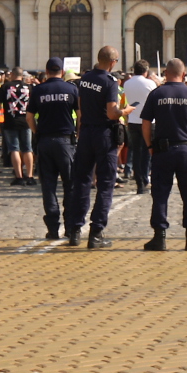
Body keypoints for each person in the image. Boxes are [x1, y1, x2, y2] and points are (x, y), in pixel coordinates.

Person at [139, 57, 187, 251]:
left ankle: (159, 237)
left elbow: (145, 124)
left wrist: (150, 146)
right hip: (186, 150)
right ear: (183, 74)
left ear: (166, 73)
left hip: (163, 151)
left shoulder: (156, 94)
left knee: (160, 194)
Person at [66, 47, 125, 248]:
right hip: (104, 134)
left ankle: (74, 230)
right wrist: (125, 110)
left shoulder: (86, 78)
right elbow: (111, 113)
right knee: (106, 183)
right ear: (112, 62)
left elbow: (81, 109)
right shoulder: (110, 82)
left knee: (81, 181)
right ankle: (96, 233)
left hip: (86, 132)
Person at [29, 58, 80, 241]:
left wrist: (37, 132)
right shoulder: (71, 89)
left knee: (48, 186)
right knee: (70, 185)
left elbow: (29, 117)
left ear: (46, 70)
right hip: (66, 142)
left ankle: (52, 228)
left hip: (45, 141)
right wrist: (78, 133)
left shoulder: (39, 90)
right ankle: (71, 228)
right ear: (63, 71)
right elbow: (80, 114)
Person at [122, 62, 156, 192]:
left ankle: (139, 181)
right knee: (147, 151)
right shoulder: (150, 83)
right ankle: (145, 178)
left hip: (133, 120)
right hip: (148, 121)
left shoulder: (127, 83)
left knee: (136, 152)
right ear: (146, 71)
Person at [0, 68, 33, 185]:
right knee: (27, 149)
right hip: (26, 121)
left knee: (14, 149)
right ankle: (30, 176)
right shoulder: (29, 87)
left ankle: (19, 176)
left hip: (11, 121)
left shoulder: (5, 87)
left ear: (13, 75)